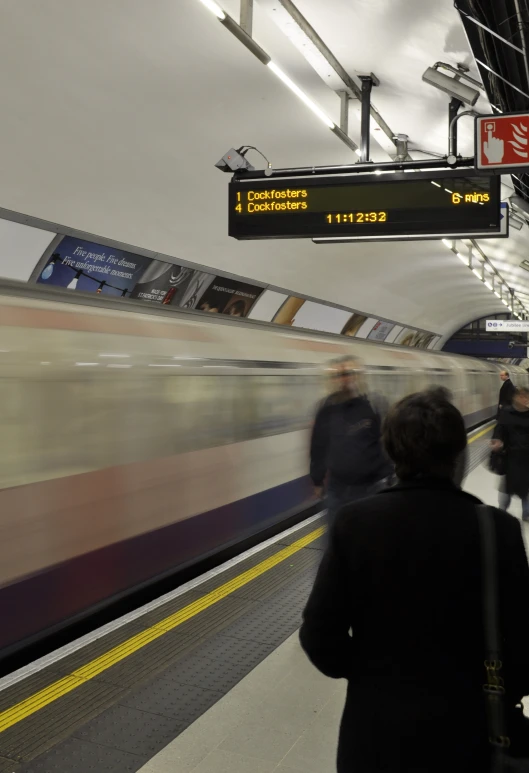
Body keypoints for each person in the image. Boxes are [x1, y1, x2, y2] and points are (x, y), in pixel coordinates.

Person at [300, 389, 529, 773]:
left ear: (391, 452)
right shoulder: (497, 531)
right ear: (459, 454)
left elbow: (319, 637)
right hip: (471, 738)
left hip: (376, 736)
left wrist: (372, 673)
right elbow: (522, 647)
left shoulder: (355, 524)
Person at [309, 356, 393, 531]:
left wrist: (390, 474)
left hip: (371, 486)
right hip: (337, 488)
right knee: (336, 539)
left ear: (358, 376)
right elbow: (318, 445)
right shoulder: (326, 410)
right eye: (339, 375)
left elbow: (387, 439)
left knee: (371, 537)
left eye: (348, 373)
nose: (344, 379)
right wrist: (317, 479)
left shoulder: (374, 405)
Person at [492, 386, 529, 521]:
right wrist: (497, 441)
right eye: (521, 396)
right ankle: (502, 511)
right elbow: (499, 429)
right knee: (507, 489)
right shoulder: (507, 413)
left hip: (526, 458)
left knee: (525, 488)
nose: (524, 399)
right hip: (510, 457)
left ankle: (526, 512)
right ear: (515, 397)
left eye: (526, 397)